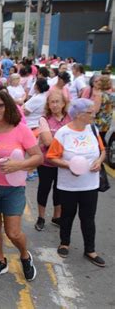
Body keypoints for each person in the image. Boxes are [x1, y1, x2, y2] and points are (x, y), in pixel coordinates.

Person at [0, 90, 42, 282]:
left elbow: (38, 157)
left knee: (13, 232)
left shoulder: (21, 129)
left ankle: (25, 255)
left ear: (8, 106)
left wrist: (19, 165)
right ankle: (1, 261)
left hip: (13, 189)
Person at [46, 98, 106, 267]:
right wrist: (69, 165)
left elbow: (102, 151)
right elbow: (51, 157)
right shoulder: (63, 133)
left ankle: (90, 249)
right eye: (90, 112)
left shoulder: (93, 129)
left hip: (90, 185)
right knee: (67, 215)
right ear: (79, 114)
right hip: (69, 185)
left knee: (88, 217)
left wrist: (99, 161)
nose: (94, 115)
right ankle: (64, 242)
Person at [34, 92, 70, 231]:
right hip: (46, 161)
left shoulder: (69, 117)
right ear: (48, 105)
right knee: (44, 188)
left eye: (57, 102)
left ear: (63, 103)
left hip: (62, 162)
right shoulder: (44, 119)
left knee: (59, 189)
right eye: (52, 102)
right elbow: (48, 141)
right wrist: (67, 143)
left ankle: (56, 217)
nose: (55, 105)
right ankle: (41, 217)